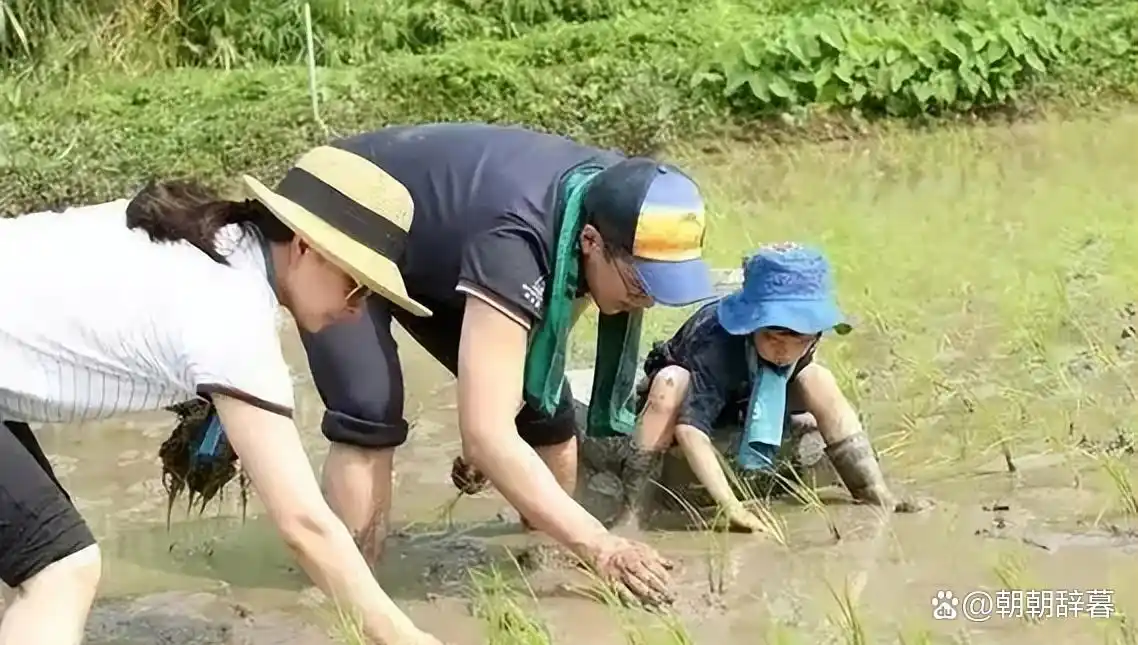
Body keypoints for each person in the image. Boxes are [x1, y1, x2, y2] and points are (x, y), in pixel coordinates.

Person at [0, 146, 446, 645]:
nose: (356, 309)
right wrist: (404, 637)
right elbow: (305, 525)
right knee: (60, 570)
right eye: (355, 286)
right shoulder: (233, 317)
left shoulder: (213, 243)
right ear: (303, 247)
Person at [290, 122, 716, 605]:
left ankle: (545, 571)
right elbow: (487, 434)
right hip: (346, 213)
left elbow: (534, 356)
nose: (647, 304)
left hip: (444, 246)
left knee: (546, 416)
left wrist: (498, 426)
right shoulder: (518, 239)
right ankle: (347, 596)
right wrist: (601, 543)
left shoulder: (612, 198)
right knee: (369, 407)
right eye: (641, 286)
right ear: (591, 243)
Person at [584, 243, 907, 533]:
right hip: (691, 400)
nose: (784, 351)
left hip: (751, 395)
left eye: (799, 341)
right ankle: (633, 512)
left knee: (819, 378)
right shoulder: (716, 341)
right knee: (671, 382)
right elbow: (690, 431)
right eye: (773, 338)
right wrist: (732, 508)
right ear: (751, 325)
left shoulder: (804, 341)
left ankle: (873, 492)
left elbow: (805, 375)